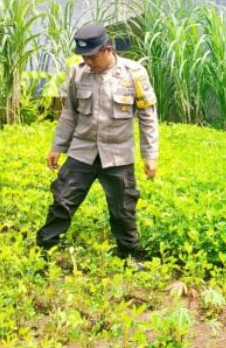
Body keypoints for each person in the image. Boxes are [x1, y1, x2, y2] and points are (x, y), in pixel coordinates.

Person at [36, 23, 159, 262]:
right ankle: (44, 249)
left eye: (92, 57)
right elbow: (70, 113)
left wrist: (150, 155)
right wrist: (57, 146)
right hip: (83, 151)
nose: (88, 62)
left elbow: (147, 116)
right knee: (62, 199)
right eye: (84, 57)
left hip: (118, 154)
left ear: (108, 49)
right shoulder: (77, 72)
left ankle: (129, 254)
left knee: (123, 209)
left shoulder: (134, 73)